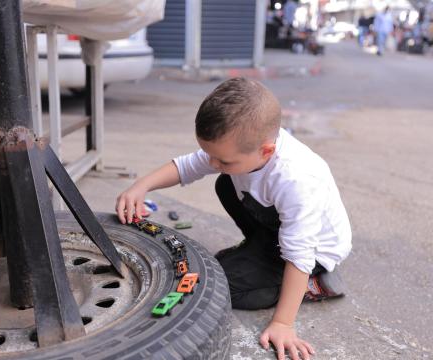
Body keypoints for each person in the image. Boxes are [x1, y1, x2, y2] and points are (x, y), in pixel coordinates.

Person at [116, 78, 352, 360]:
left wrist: (283, 323)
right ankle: (258, 248)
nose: (213, 164)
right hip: (277, 228)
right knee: (225, 183)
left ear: (266, 151)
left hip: (313, 253)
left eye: (223, 161)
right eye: (211, 155)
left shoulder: (297, 181)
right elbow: (189, 165)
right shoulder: (244, 147)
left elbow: (299, 255)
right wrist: (140, 186)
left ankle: (313, 286)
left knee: (219, 287)